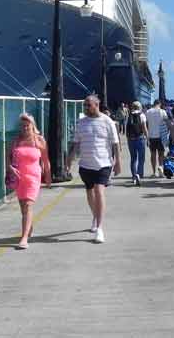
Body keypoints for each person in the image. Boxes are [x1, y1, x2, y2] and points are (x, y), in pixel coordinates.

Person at [67, 95, 121, 243]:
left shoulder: (107, 121)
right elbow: (76, 142)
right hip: (85, 164)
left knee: (99, 190)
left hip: (103, 163)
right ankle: (96, 216)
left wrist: (118, 163)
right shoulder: (81, 122)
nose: (85, 108)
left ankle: (100, 228)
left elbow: (115, 143)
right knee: (90, 193)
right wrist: (69, 159)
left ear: (97, 105)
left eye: (88, 105)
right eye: (84, 105)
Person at [7, 113, 51, 249]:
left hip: (33, 177)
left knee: (27, 205)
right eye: (23, 126)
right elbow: (8, 158)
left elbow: (45, 160)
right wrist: (10, 168)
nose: (25, 128)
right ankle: (29, 227)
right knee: (23, 208)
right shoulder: (16, 141)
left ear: (33, 126)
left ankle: (24, 238)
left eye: (27, 125)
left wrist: (48, 177)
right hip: (19, 177)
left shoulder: (39, 141)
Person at [125, 101, 148, 185]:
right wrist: (147, 138)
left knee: (133, 158)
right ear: (140, 107)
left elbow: (126, 128)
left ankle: (134, 176)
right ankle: (139, 174)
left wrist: (128, 139)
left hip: (131, 139)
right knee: (141, 158)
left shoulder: (129, 115)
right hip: (140, 139)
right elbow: (144, 128)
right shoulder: (142, 115)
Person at [146, 99, 169, 177]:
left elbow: (146, 124)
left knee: (153, 154)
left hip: (151, 136)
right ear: (159, 104)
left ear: (154, 104)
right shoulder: (163, 111)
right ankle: (161, 168)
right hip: (160, 136)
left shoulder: (148, 112)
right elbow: (167, 122)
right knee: (161, 154)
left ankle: (153, 172)